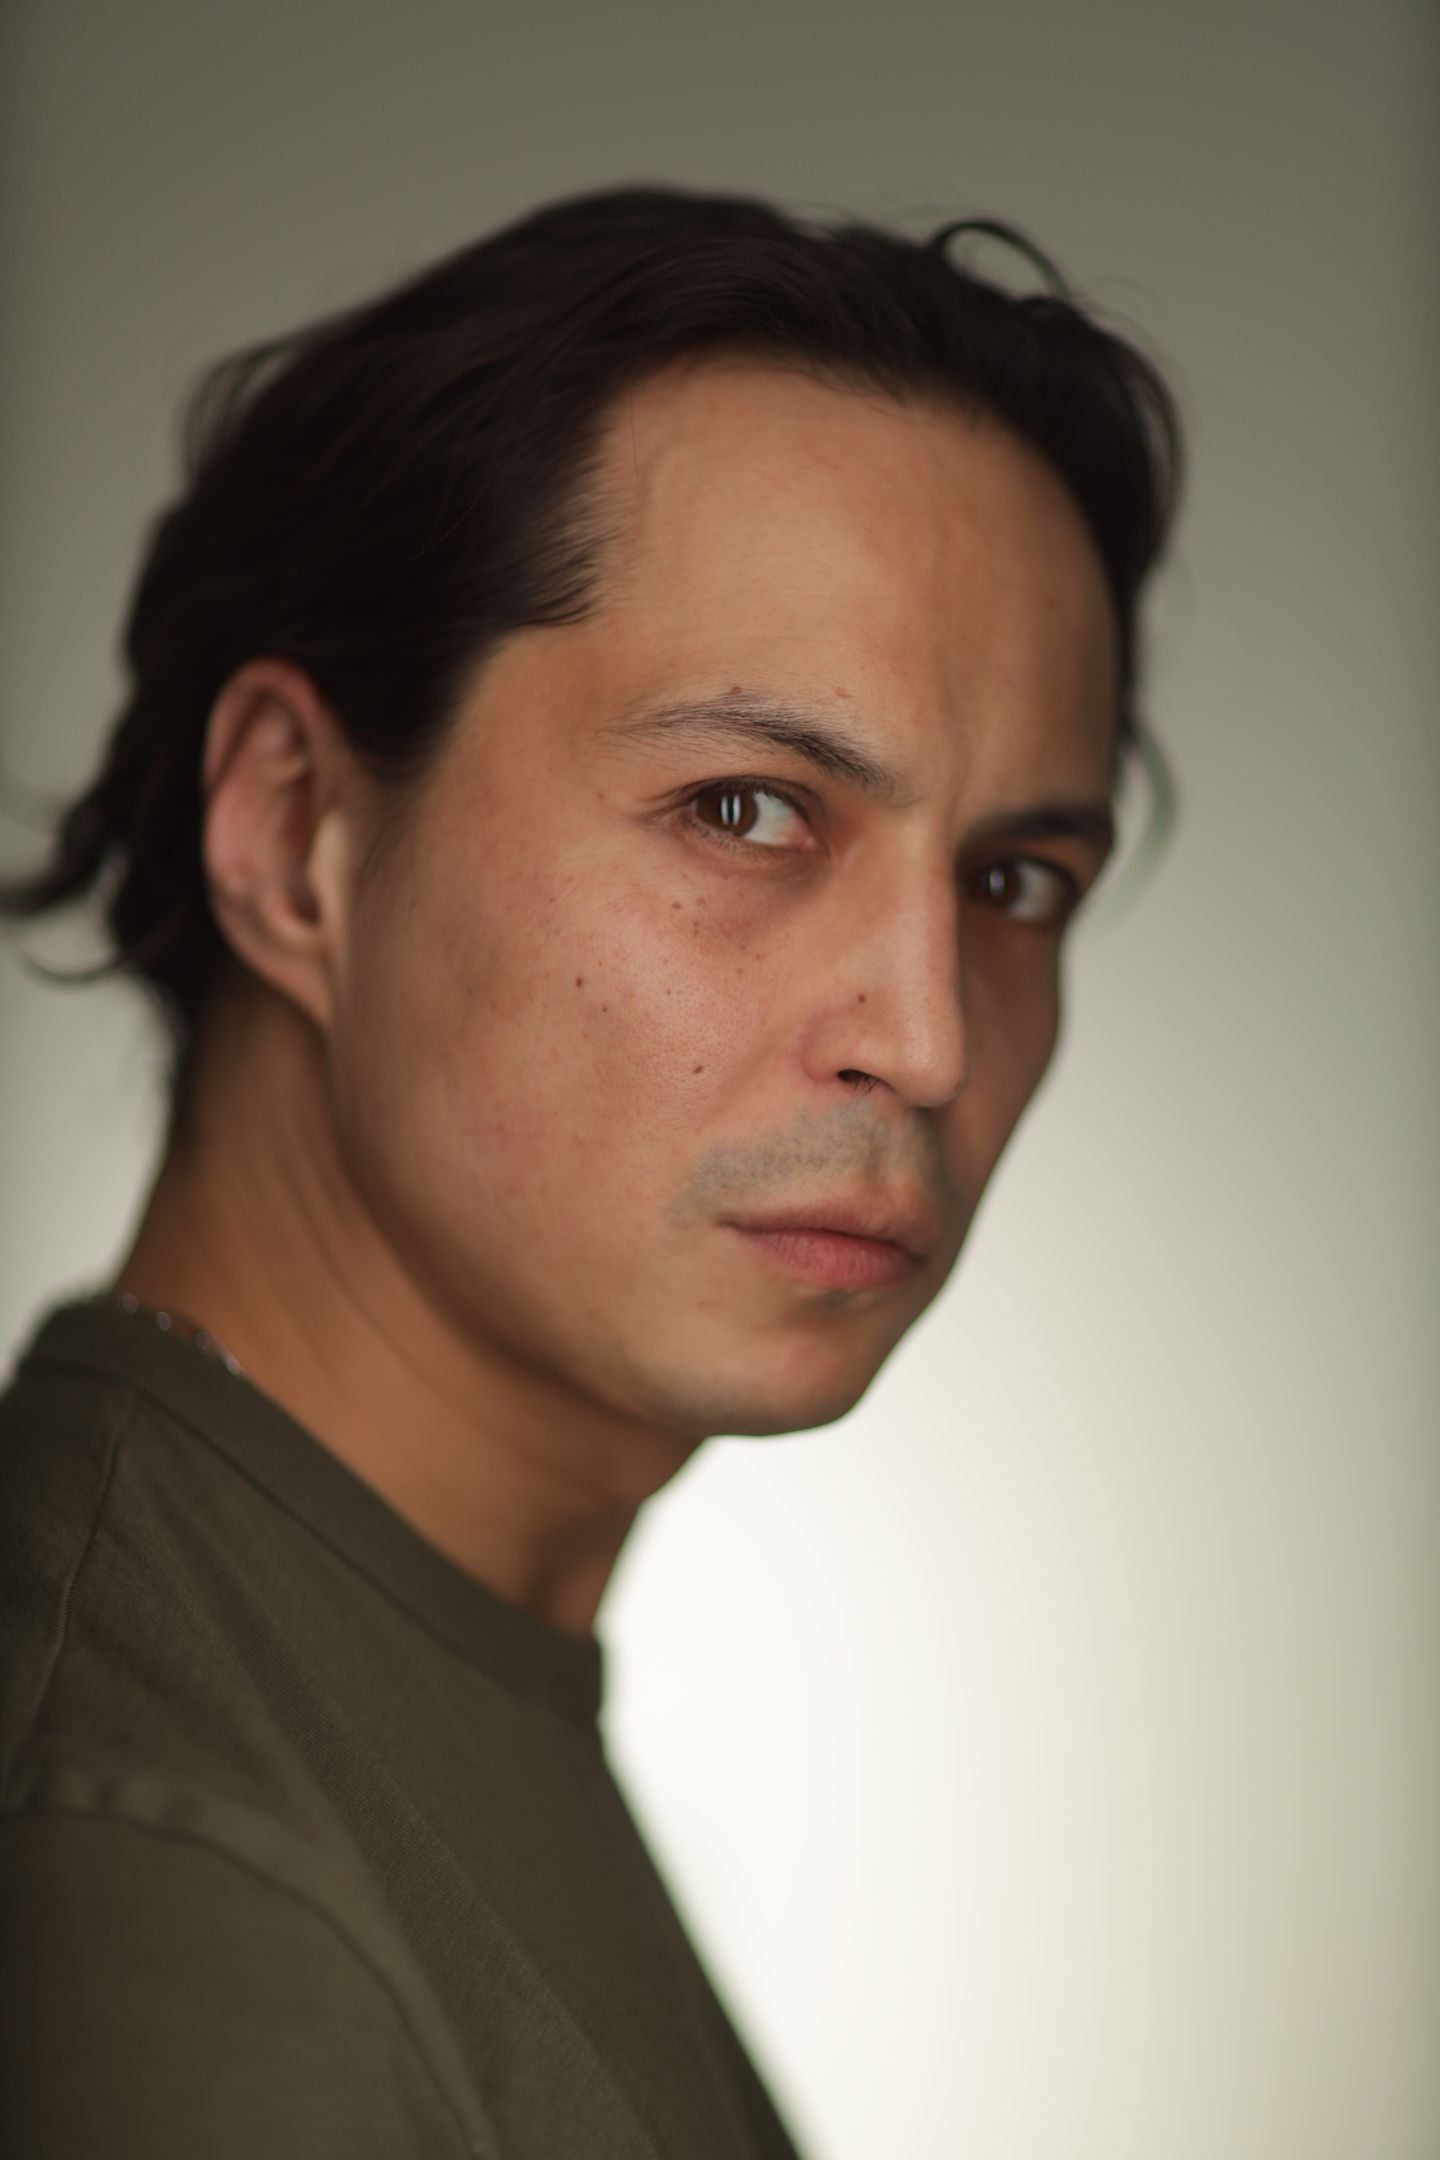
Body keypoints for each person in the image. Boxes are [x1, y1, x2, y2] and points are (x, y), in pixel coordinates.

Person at [0, 183, 1183, 2157]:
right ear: (293, 833)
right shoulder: (166, 1878)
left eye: (1010, 882)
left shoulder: (368, 1683)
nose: (929, 1037)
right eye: (748, 811)